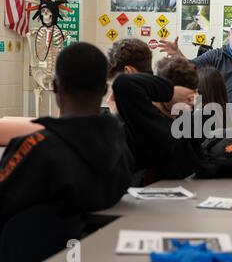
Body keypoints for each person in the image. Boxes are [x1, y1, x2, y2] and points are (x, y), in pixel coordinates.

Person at [0, 42, 134, 231]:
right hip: (88, 251)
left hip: (31, 256)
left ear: (55, 85)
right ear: (104, 90)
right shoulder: (121, 148)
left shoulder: (36, 148)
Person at [108, 39, 201, 183]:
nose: (112, 96)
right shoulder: (165, 118)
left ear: (128, 72)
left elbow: (123, 84)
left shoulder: (148, 116)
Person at [159, 17, 232, 107]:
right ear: (229, 35)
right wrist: (177, 53)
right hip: (217, 123)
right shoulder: (215, 56)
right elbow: (190, 68)